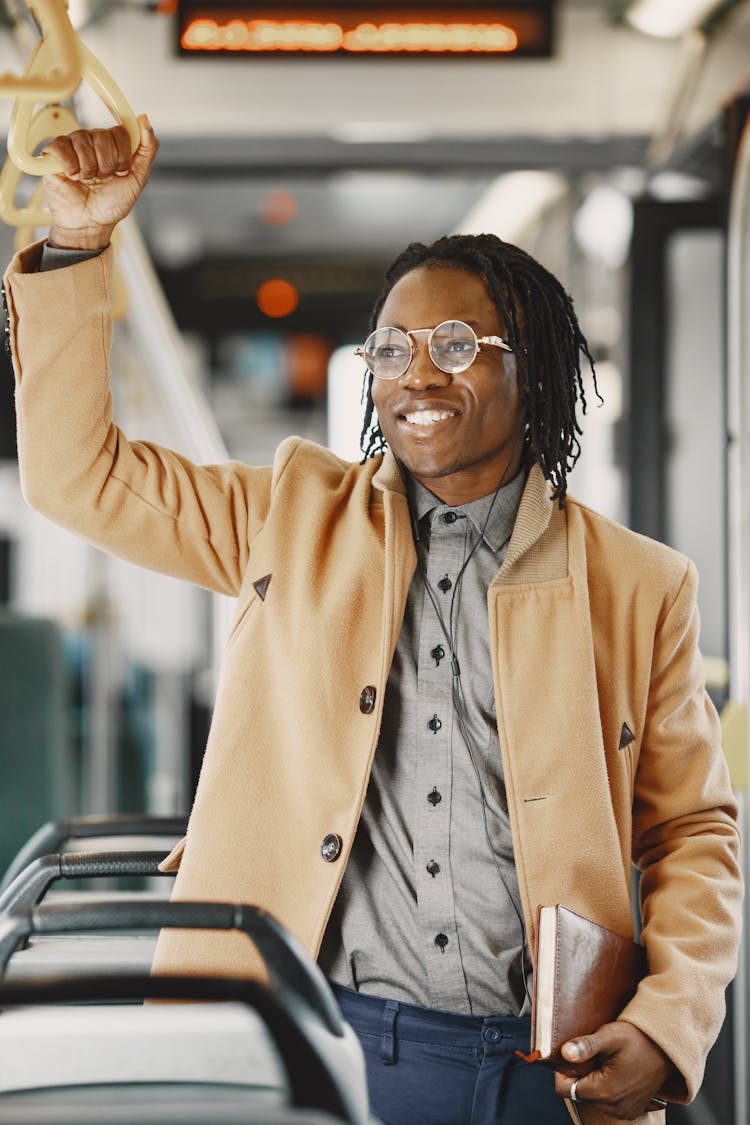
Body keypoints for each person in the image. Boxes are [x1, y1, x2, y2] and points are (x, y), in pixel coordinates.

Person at [3, 117, 743, 1125]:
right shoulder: (288, 519)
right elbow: (77, 477)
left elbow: (695, 830)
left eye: (453, 345)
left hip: (558, 1072)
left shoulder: (637, 585)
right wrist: (81, 245)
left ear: (530, 367)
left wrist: (670, 1019)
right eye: (391, 347)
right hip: (325, 1043)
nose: (416, 375)